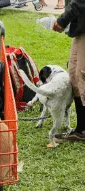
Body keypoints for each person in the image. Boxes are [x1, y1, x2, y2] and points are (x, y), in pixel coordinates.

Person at [53, 0, 85, 142]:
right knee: (74, 75)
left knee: (83, 76)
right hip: (80, 28)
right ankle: (81, 129)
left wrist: (62, 20)